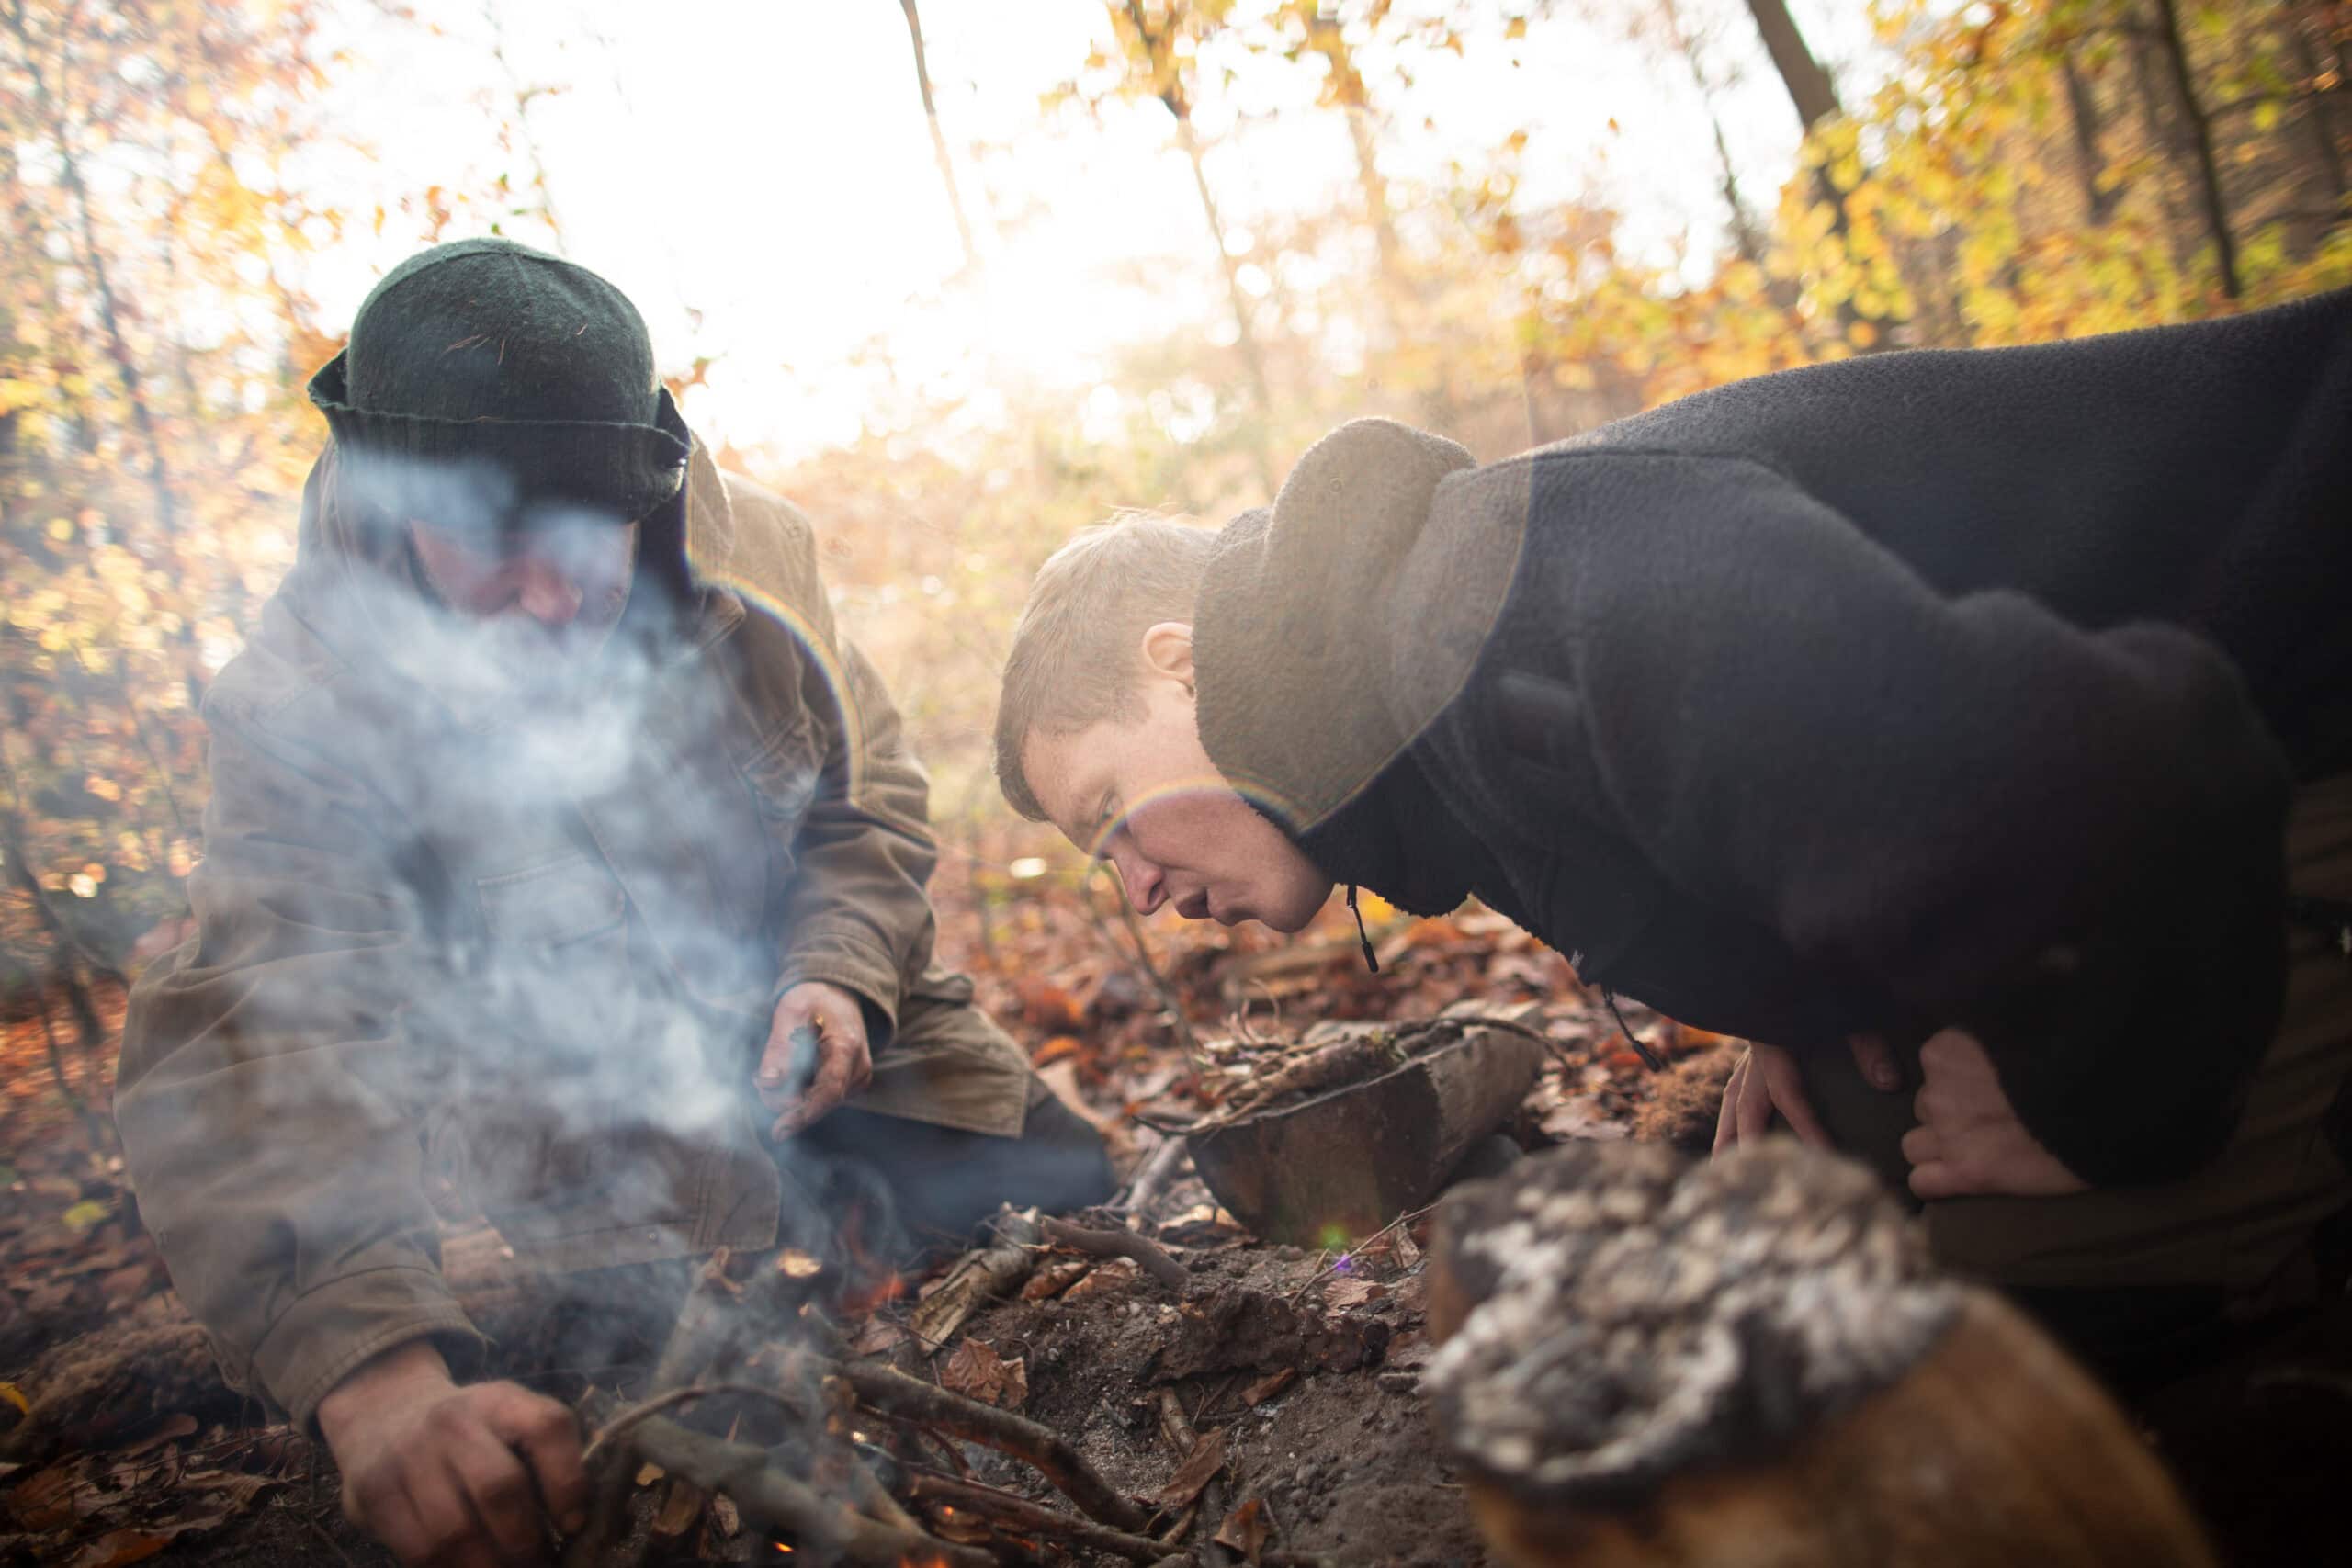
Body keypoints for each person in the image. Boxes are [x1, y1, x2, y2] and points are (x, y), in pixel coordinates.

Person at [993, 289, 2352, 1379]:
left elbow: (2126, 768)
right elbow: (1775, 766)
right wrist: (1785, 984)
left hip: (2289, 696)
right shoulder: (1404, 726)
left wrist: (2110, 1112)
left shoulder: (1488, 615)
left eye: (1111, 817)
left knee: (1987, 1376)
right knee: (1804, 1205)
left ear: (1183, 668)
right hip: (2128, 792)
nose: (1141, 890)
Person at [116, 238, 1111, 1567]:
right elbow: (262, 1039)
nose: (547, 595)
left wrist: (837, 966)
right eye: (494, 548)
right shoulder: (302, 706)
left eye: (580, 538)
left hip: (855, 1045)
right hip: (613, 1169)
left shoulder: (759, 557)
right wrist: (376, 1382)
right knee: (717, 1430)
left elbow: (866, 795)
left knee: (1091, 1211)